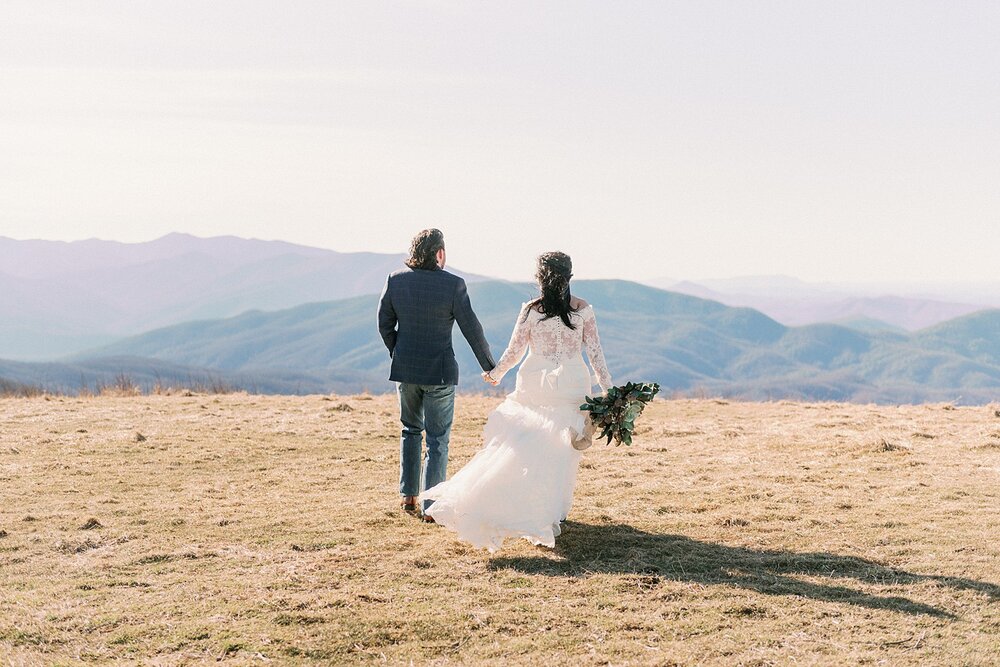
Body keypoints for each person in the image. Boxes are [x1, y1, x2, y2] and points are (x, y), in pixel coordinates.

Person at [421, 251, 613, 551]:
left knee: (526, 449)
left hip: (535, 384)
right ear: (570, 276)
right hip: (573, 384)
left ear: (539, 278)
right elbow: (596, 353)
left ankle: (538, 509)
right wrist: (609, 389)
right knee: (562, 452)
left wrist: (497, 373)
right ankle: (553, 512)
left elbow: (515, 350)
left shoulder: (530, 311)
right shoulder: (583, 309)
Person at [377, 229, 496, 519]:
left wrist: (398, 351)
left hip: (406, 371)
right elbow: (472, 330)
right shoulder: (453, 285)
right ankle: (432, 506)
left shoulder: (396, 280)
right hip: (440, 373)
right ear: (440, 253)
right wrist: (490, 367)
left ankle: (409, 496)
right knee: (437, 439)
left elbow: (384, 324)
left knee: (410, 431)